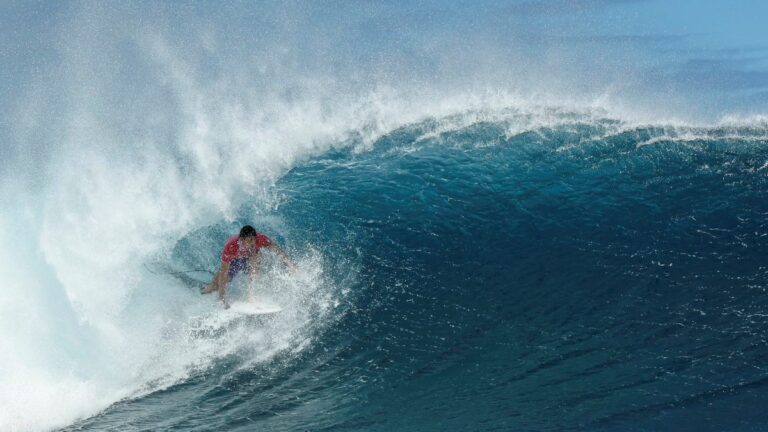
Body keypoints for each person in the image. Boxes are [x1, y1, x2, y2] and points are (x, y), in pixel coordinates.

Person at [202, 225, 295, 308]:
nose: (252, 243)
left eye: (253, 240)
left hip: (250, 258)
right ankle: (208, 289)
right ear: (241, 240)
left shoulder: (260, 239)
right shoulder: (231, 246)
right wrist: (221, 298)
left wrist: (291, 265)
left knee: (255, 258)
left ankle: (250, 296)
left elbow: (277, 249)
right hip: (236, 260)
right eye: (249, 241)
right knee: (219, 283)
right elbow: (224, 272)